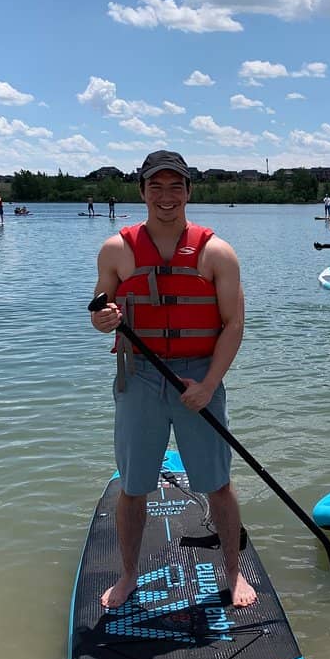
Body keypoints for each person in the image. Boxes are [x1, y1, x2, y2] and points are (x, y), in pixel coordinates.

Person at [89, 149, 253, 610]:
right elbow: (100, 309)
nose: (166, 196)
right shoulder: (115, 250)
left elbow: (234, 324)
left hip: (199, 374)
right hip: (139, 377)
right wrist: (103, 320)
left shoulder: (217, 253)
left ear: (189, 192)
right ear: (142, 191)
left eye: (175, 186)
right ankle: (128, 575)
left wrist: (209, 385)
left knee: (218, 483)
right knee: (133, 485)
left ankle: (233, 572)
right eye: (156, 187)